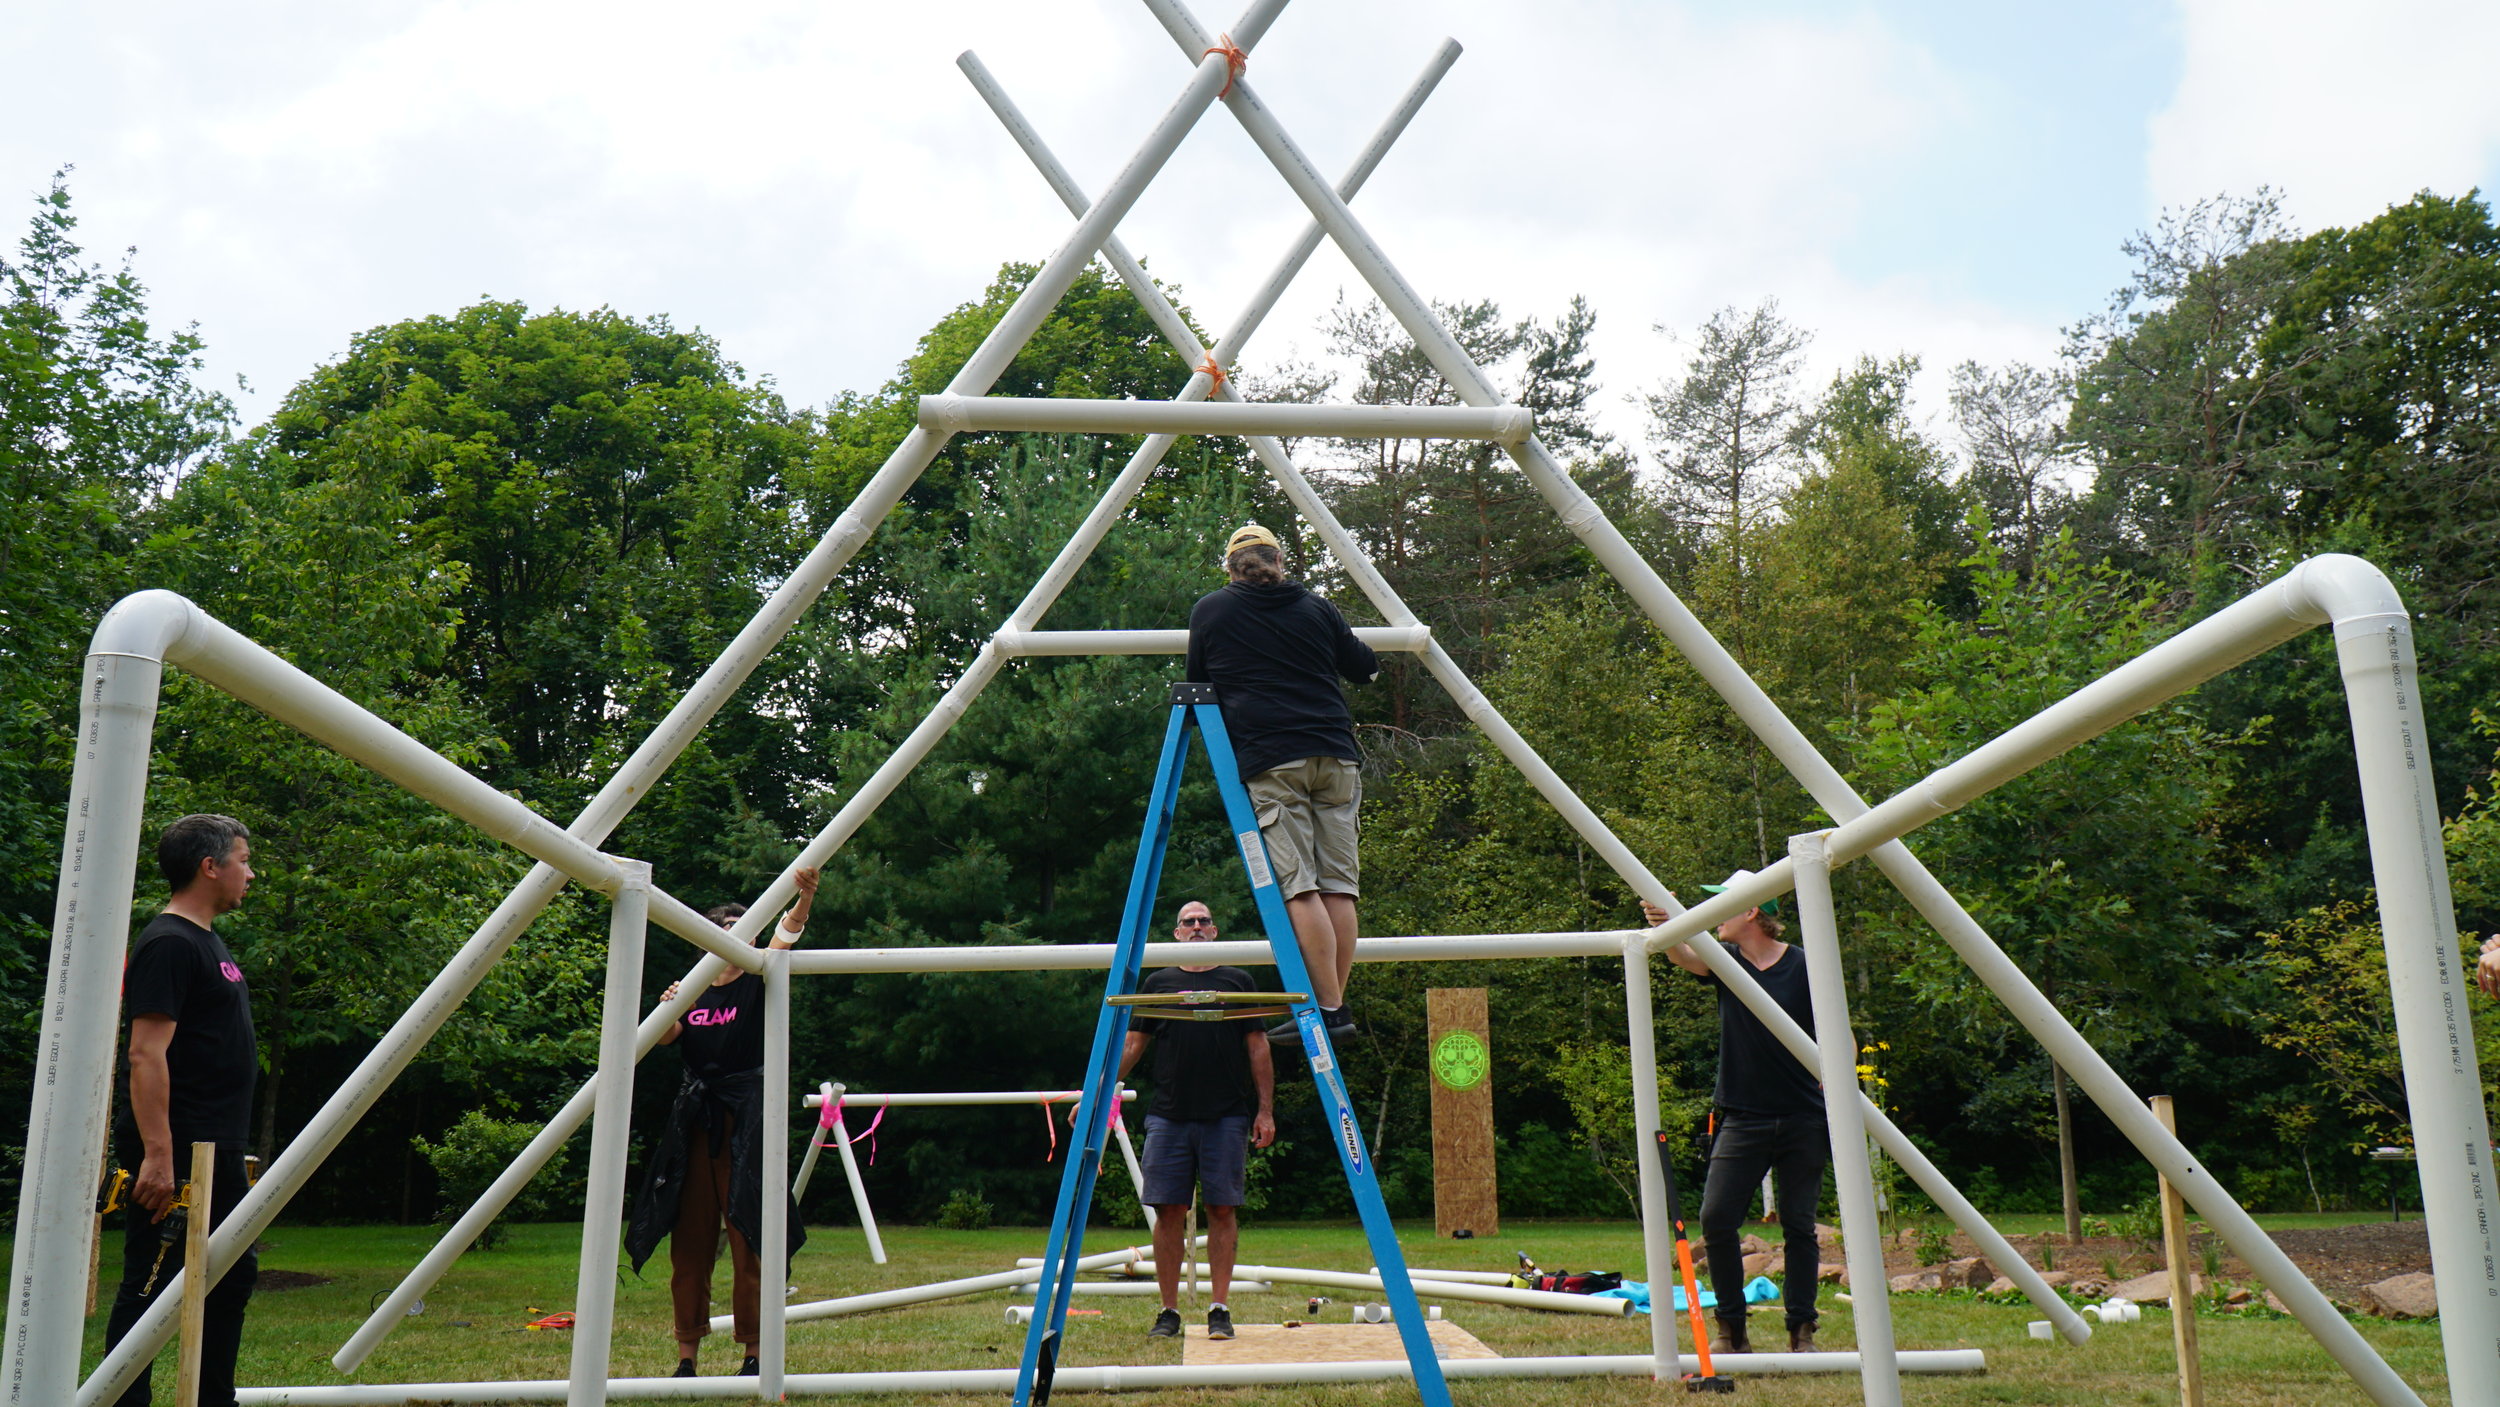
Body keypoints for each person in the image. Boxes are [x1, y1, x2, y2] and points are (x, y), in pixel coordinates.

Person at [1185, 522, 1378, 1043]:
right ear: (1280, 563)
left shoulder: (1212, 610)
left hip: (1273, 758)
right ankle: (1334, 1011)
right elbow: (1365, 667)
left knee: (1300, 887)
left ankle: (1330, 1012)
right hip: (1336, 756)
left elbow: (1197, 682)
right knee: (1340, 886)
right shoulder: (1317, 608)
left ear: (1231, 569)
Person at [626, 868, 819, 1378]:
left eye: (746, 926)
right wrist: (673, 1004)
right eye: (730, 926)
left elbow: (786, 938)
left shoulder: (760, 979)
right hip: (695, 1124)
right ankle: (686, 1355)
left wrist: (804, 899)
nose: (742, 934)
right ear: (707, 936)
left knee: (749, 1236)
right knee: (689, 1244)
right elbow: (662, 1040)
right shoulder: (690, 989)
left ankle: (754, 1352)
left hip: (748, 1123)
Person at [104, 814, 260, 1407]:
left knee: (231, 1277)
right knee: (151, 1285)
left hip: (213, 1146)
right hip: (180, 1149)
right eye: (243, 859)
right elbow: (146, 1055)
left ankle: (215, 1399)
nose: (251, 872)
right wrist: (159, 1156)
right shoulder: (169, 942)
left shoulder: (206, 941)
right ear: (209, 866)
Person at [1643, 870, 1825, 1355]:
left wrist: (1840, 1072)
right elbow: (1682, 953)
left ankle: (1801, 1330)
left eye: (1722, 904)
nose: (1715, 916)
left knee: (1798, 1226)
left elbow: (1837, 1031)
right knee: (1717, 1218)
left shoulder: (1808, 966)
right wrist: (1666, 919)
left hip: (1804, 1115)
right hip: (1742, 1116)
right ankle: (1732, 1331)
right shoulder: (1726, 963)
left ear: (1751, 911)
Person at [1116, 900, 1277, 1342]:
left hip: (1225, 1114)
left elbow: (1259, 1047)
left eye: (1205, 920)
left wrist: (1265, 1110)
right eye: (1189, 921)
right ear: (1176, 933)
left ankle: (1219, 1310)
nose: (1198, 926)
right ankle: (1168, 1311)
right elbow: (1132, 1046)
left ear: (1216, 930)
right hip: (1169, 1115)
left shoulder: (1237, 979)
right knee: (1168, 1211)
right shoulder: (1159, 983)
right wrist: (1095, 1092)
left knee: (1221, 1209)